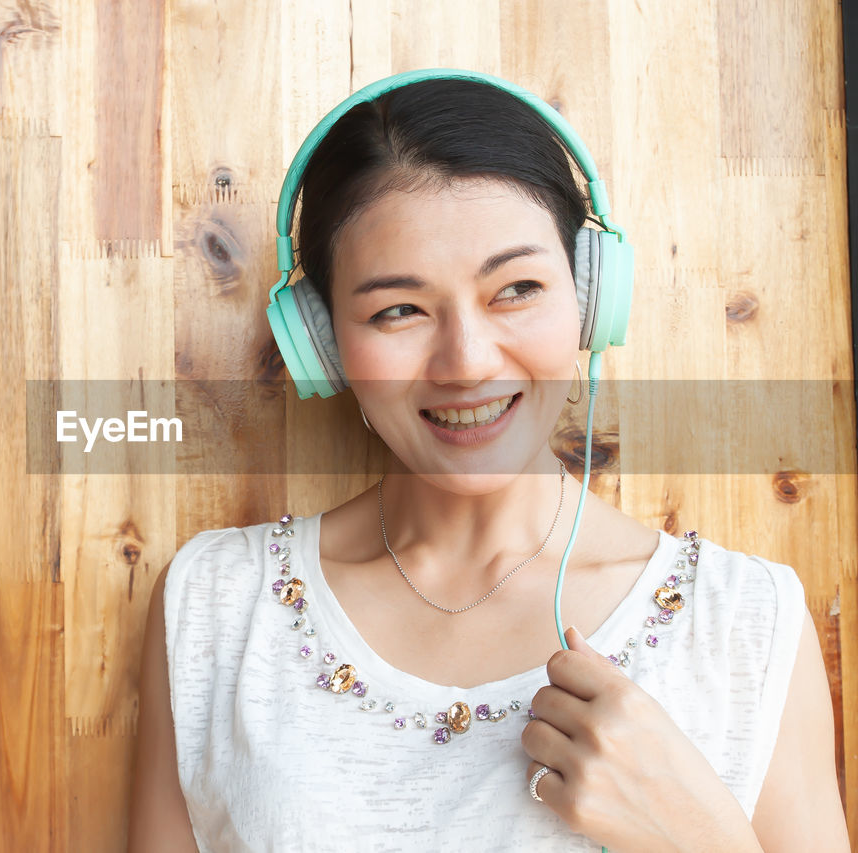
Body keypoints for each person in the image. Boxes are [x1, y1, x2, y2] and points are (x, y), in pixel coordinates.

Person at [128, 71, 849, 851]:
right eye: (397, 309)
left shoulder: (743, 622)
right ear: (325, 345)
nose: (466, 362)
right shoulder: (219, 607)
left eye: (516, 288)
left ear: (590, 297)